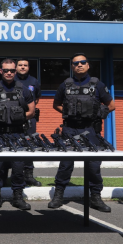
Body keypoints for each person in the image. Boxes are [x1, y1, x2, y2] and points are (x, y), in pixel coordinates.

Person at [48, 53, 115, 212]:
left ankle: (96, 197)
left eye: (82, 62)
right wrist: (68, 112)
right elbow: (56, 104)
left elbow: (111, 105)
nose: (79, 65)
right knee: (65, 164)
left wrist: (97, 113)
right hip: (70, 128)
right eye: (75, 63)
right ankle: (58, 195)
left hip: (90, 129)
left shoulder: (97, 85)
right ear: (72, 66)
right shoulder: (65, 85)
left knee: (93, 165)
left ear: (88, 65)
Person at [0, 59, 35, 211]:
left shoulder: (23, 89)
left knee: (18, 166)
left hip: (18, 133)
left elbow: (31, 111)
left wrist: (18, 117)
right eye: (6, 70)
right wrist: (0, 117)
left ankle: (17, 197)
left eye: (12, 70)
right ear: (1, 71)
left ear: (15, 71)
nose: (9, 73)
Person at [15, 58, 42, 186]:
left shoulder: (33, 81)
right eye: (20, 65)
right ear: (16, 67)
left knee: (29, 145)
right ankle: (13, 175)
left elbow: (36, 99)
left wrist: (28, 112)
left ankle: (29, 175)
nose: (23, 67)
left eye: (25, 65)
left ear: (28, 67)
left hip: (29, 119)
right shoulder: (11, 80)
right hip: (12, 119)